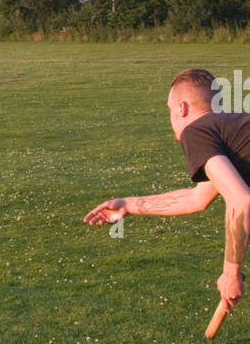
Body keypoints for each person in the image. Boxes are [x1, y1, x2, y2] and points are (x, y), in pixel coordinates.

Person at [84, 67, 250, 311]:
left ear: (181, 108)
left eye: (170, 111)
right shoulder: (232, 133)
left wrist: (231, 273)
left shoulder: (196, 131)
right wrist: (128, 204)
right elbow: (197, 198)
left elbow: (240, 201)